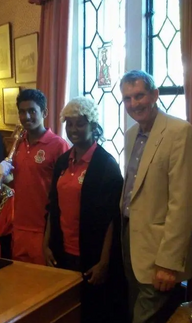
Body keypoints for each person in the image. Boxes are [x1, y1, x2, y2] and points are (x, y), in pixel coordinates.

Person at [120, 70, 192, 323]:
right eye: (128, 99)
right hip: (130, 240)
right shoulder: (131, 134)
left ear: (154, 95)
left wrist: (168, 262)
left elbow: (183, 204)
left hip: (159, 253)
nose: (134, 104)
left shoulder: (180, 132)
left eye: (140, 95)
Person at [44, 97, 127, 323]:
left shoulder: (106, 165)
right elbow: (53, 205)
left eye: (80, 123)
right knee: (66, 313)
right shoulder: (62, 161)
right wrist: (47, 243)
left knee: (93, 315)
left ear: (93, 126)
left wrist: (104, 262)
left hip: (91, 258)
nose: (73, 129)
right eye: (69, 124)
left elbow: (113, 219)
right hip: (63, 254)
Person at [0, 89, 69, 265]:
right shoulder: (16, 143)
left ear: (44, 112)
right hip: (19, 226)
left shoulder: (58, 145)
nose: (26, 116)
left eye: (32, 111)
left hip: (44, 229)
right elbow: (17, 181)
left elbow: (63, 191)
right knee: (21, 279)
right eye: (22, 111)